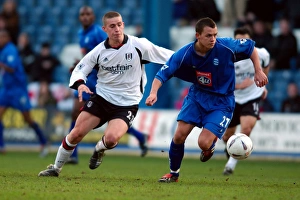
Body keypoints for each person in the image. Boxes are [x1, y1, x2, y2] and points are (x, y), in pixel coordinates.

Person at [37, 11, 174, 177]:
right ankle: (55, 168)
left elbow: (172, 57)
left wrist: (193, 62)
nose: (117, 29)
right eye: (112, 26)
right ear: (105, 29)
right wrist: (80, 85)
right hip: (102, 99)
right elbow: (80, 70)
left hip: (127, 104)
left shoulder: (139, 45)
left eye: (119, 24)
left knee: (110, 139)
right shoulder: (98, 51)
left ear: (123, 25)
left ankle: (99, 149)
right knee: (75, 134)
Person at [145, 17, 268, 183]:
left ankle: (209, 147)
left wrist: (258, 71)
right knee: (179, 135)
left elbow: (251, 48)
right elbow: (163, 73)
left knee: (203, 143)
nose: (213, 39)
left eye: (215, 35)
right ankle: (173, 174)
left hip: (222, 102)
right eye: (209, 35)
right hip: (197, 96)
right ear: (198, 35)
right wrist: (153, 93)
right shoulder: (185, 53)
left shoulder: (225, 46)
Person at [66, 6, 148, 165]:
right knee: (78, 113)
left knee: (103, 113)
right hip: (88, 79)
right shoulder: (81, 33)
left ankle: (74, 153)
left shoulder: (97, 33)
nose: (85, 17)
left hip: (102, 82)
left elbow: (109, 55)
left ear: (93, 17)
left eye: (88, 14)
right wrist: (79, 66)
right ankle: (139, 136)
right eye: (82, 14)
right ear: (79, 18)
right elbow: (91, 58)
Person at [221, 27, 270, 175]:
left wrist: (263, 84)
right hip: (233, 98)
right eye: (238, 40)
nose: (242, 44)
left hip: (252, 97)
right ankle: (229, 147)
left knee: (246, 128)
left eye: (245, 40)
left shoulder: (261, 54)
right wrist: (238, 85)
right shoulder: (227, 56)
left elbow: (266, 65)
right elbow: (220, 80)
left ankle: (230, 165)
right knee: (227, 137)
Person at [0, 29, 48, 156]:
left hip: (18, 89)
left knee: (27, 119)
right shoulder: (4, 50)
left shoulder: (11, 50)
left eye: (1, 38)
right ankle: (1, 146)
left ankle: (43, 142)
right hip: (7, 89)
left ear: (7, 38)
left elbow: (11, 68)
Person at [30, 42, 60, 107]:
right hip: (40, 80)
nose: (45, 51)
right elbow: (34, 72)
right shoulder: (37, 59)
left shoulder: (51, 58)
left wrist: (50, 64)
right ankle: (41, 105)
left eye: (47, 50)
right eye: (44, 50)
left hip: (49, 81)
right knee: (43, 88)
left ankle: (46, 104)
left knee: (45, 87)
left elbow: (58, 63)